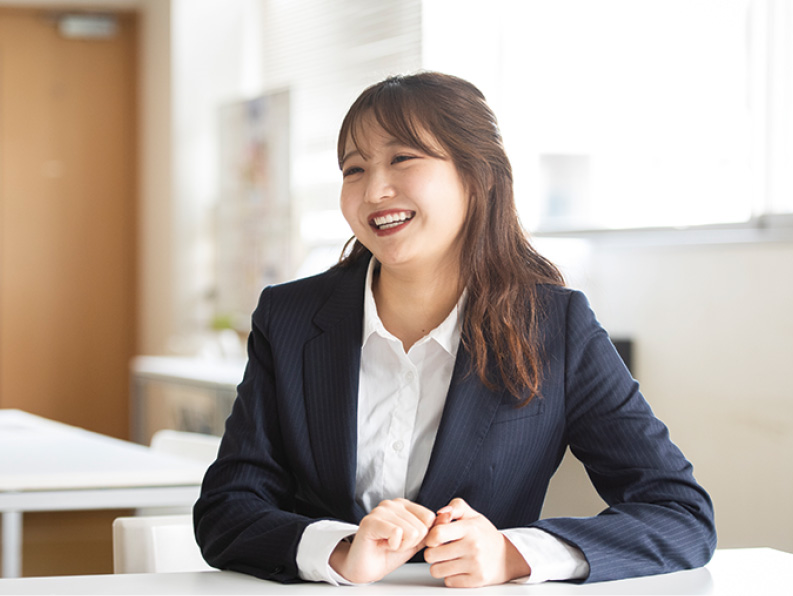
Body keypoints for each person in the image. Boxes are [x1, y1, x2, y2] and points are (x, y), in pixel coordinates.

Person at [194, 72, 716, 588]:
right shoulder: (289, 317)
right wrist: (339, 550)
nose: (374, 189)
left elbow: (680, 514)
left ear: (479, 176)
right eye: (354, 169)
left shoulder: (555, 326)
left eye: (402, 158)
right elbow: (227, 509)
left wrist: (512, 554)